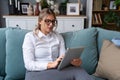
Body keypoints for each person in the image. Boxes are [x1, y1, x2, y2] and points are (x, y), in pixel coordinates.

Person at [22, 8, 94, 80]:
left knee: (79, 70)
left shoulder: (58, 37)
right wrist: (50, 65)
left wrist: (73, 62)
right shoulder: (30, 37)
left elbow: (62, 59)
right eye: (47, 21)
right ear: (40, 21)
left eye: (53, 21)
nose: (51, 24)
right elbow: (29, 64)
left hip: (55, 71)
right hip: (36, 72)